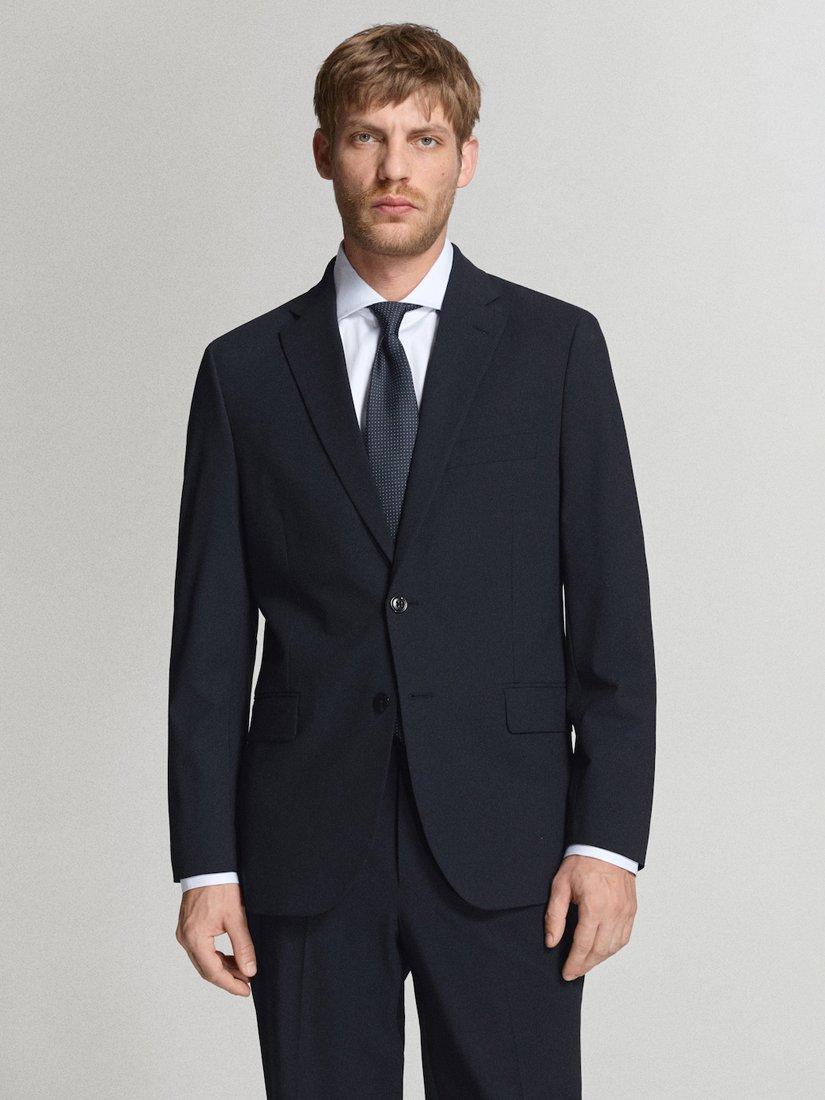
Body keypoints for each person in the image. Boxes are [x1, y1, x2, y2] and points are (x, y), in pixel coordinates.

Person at [168, 22, 656, 1098]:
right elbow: (208, 646)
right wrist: (206, 863)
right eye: (366, 137)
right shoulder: (245, 373)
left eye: (424, 139)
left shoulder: (555, 350)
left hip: (512, 848)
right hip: (305, 848)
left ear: (465, 158)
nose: (395, 168)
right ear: (324, 153)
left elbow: (613, 618)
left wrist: (609, 843)